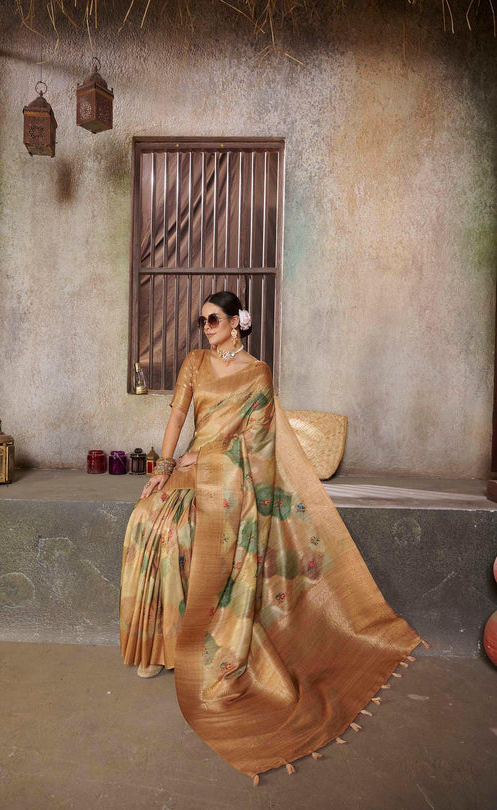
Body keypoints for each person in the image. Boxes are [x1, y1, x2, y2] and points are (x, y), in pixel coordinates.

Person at [119, 291, 425, 783]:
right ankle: (159, 647)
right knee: (149, 517)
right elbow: (178, 417)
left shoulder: (258, 374)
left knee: (188, 529)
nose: (205, 328)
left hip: (230, 473)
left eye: (213, 319)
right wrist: (165, 463)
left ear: (237, 321)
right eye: (201, 321)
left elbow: (259, 443)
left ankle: (188, 645)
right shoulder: (195, 362)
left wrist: (210, 458)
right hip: (190, 464)